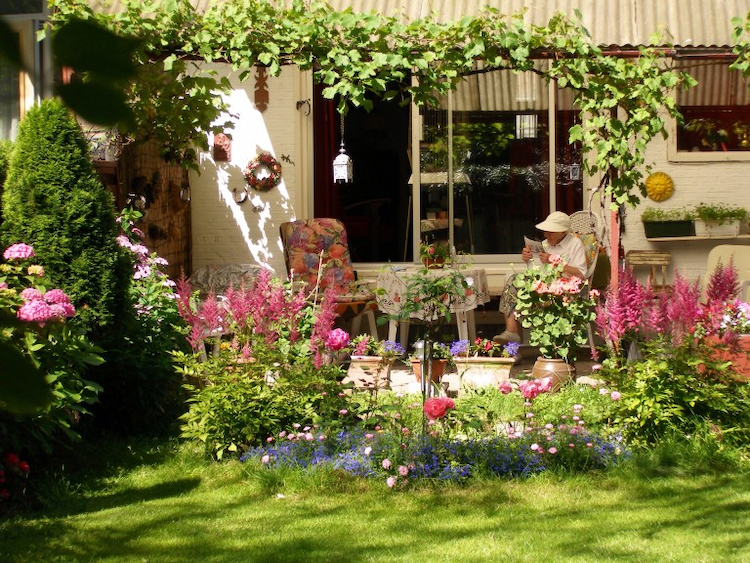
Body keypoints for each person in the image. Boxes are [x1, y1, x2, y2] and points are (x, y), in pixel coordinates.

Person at [493, 211, 588, 344]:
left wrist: (554, 261)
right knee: (512, 281)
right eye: (546, 231)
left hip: (563, 289)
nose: (546, 234)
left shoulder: (575, 244)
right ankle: (511, 333)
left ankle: (513, 339)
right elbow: (536, 270)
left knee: (516, 290)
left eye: (551, 232)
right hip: (541, 284)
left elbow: (581, 274)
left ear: (563, 232)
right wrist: (528, 259)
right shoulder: (545, 244)